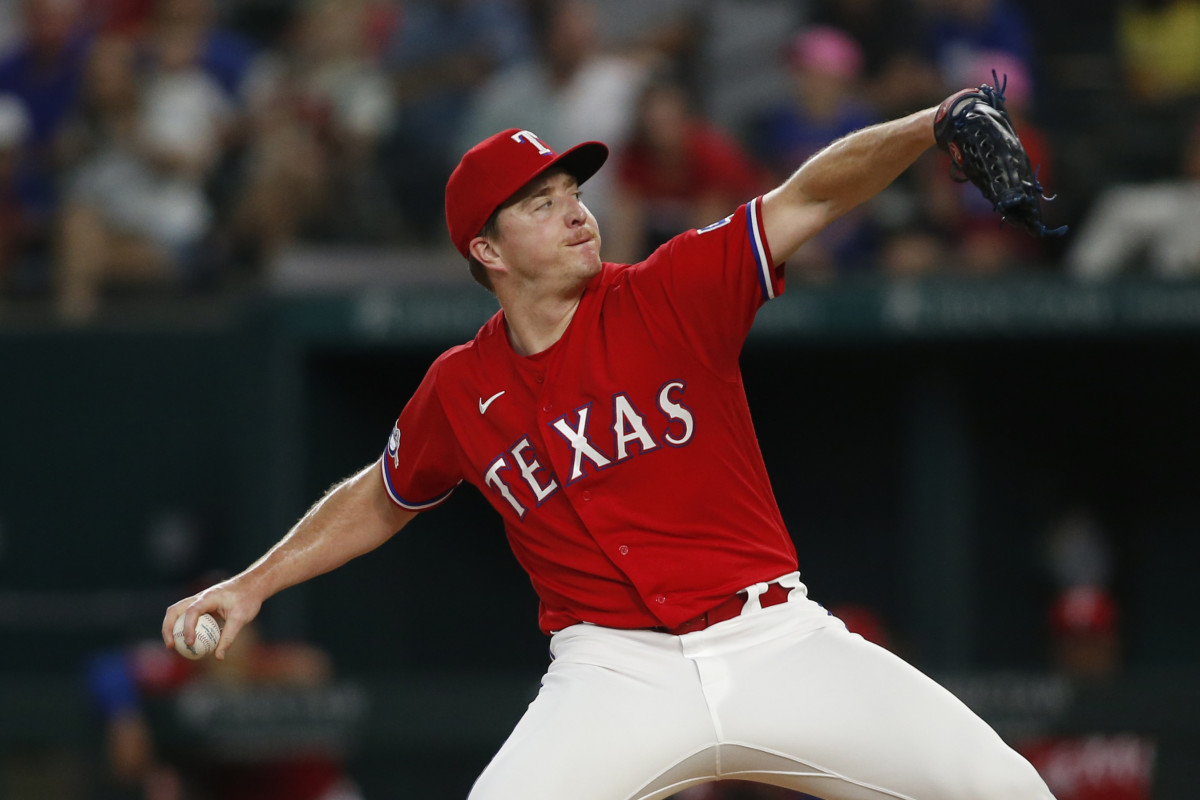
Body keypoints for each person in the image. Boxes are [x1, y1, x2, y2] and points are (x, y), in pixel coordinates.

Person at [164, 97, 1058, 798]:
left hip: (772, 637)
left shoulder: (671, 289)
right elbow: (382, 494)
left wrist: (933, 123)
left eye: (574, 195)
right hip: (613, 672)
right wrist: (251, 584)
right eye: (541, 205)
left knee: (1004, 789)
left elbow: (811, 195)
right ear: (487, 247)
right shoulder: (458, 388)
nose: (576, 215)